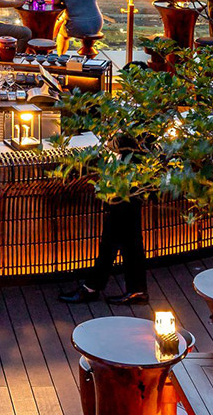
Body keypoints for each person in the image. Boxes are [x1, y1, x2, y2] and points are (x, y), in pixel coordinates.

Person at [58, 106, 151, 305]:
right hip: (129, 185)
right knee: (127, 240)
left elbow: (123, 146)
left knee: (113, 238)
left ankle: (93, 287)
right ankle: (134, 290)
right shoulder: (143, 112)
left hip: (128, 186)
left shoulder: (143, 117)